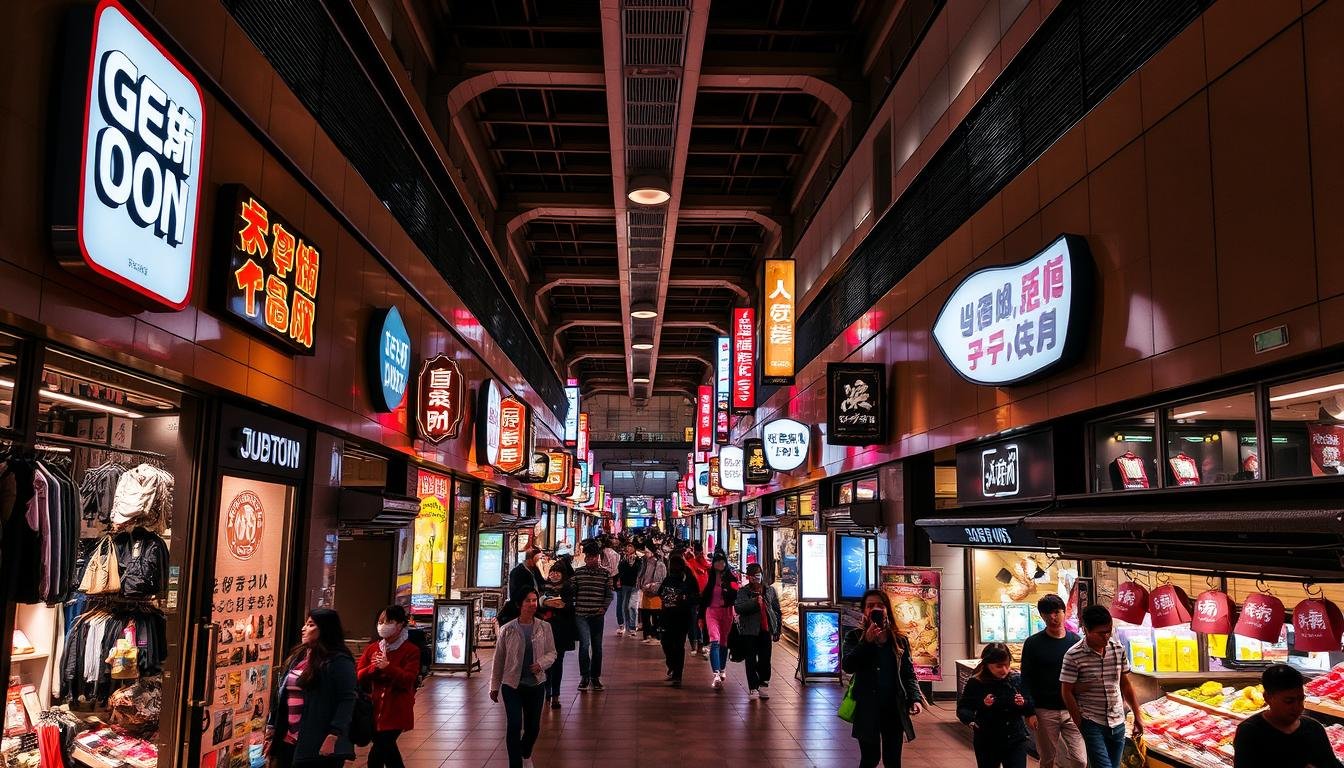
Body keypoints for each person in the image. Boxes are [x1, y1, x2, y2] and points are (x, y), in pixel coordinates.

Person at [841, 588, 923, 768]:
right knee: (870, 759)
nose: (875, 609)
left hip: (893, 708)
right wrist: (867, 642)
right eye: (870, 606)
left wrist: (915, 698)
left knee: (893, 760)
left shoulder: (899, 640)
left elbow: (908, 672)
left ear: (887, 609)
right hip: (867, 708)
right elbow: (848, 665)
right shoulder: (854, 636)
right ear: (864, 611)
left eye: (880, 605)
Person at [265, 608, 358, 767]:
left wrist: (333, 734)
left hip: (319, 740)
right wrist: (272, 728)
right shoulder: (299, 655)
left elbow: (347, 699)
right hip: (288, 737)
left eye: (310, 625)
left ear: (325, 629)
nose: (303, 629)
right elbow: (281, 694)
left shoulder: (339, 660)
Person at [1060, 605, 1143, 768]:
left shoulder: (1118, 649)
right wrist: (1079, 721)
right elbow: (1066, 691)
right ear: (1086, 630)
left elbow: (1125, 684)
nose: (1106, 636)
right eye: (1100, 633)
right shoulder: (1073, 655)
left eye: (1109, 631)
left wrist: (1137, 715)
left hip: (1118, 721)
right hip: (1092, 722)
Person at [490, 590, 557, 768]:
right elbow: (499, 659)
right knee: (513, 725)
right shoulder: (508, 629)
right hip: (512, 685)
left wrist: (541, 663)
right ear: (520, 604)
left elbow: (552, 652)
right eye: (528, 601)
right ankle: (515, 764)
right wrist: (494, 686)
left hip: (536, 684)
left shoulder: (544, 627)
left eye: (534, 600)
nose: (532, 604)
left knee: (533, 727)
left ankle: (525, 752)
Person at [1233, 663, 1343, 768]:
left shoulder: (1314, 728)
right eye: (1289, 701)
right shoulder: (1250, 732)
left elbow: (1332, 764)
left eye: (1300, 700)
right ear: (1267, 697)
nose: (1298, 707)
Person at [1020, 594, 1085, 768]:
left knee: (1081, 759)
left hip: (1072, 709)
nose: (1052, 617)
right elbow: (1025, 678)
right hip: (1044, 710)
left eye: (1056, 612)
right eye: (1047, 613)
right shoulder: (1033, 643)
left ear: (1064, 612)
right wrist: (1029, 711)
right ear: (1041, 615)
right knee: (1048, 758)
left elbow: (1082, 676)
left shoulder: (1076, 642)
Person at [355, 606, 420, 768]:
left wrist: (388, 667)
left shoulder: (410, 650)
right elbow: (359, 675)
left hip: (397, 711)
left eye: (389, 621)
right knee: (390, 754)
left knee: (376, 756)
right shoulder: (373, 649)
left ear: (400, 625)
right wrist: (373, 668)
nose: (383, 625)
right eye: (380, 621)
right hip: (374, 710)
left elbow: (408, 679)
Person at [957, 643, 1036, 768]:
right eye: (999, 666)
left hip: (1015, 738)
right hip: (987, 739)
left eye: (1007, 665)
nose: (1004, 670)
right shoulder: (976, 682)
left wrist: (1023, 703)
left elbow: (1030, 705)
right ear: (987, 664)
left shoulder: (1016, 679)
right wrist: (973, 717)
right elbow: (964, 708)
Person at [734, 562, 783, 700]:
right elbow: (739, 607)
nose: (757, 578)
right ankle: (753, 687)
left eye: (758, 574)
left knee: (765, 659)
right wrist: (755, 602)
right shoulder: (743, 592)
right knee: (750, 659)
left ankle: (763, 683)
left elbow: (777, 610)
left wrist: (777, 629)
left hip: (765, 630)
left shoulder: (770, 591)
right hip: (749, 630)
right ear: (749, 577)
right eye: (754, 575)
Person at [572, 544, 614, 691]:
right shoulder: (578, 573)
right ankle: (584, 676)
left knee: (597, 647)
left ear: (598, 557)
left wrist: (603, 608)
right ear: (585, 558)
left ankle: (595, 677)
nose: (592, 560)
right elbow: (572, 591)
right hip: (581, 614)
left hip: (597, 615)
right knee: (584, 645)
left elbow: (609, 594)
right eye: (589, 557)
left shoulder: (605, 574)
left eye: (594, 557)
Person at [657, 550, 700, 686]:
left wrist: (683, 598)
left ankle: (677, 674)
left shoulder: (688, 579)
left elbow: (696, 597)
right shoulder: (669, 578)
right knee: (669, 644)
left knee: (676, 645)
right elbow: (660, 592)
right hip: (672, 616)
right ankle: (673, 667)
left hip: (680, 616)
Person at [537, 560, 577, 709]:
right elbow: (537, 607)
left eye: (557, 572)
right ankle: (546, 692)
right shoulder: (543, 587)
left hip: (561, 630)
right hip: (545, 629)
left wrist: (554, 604)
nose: (554, 575)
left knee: (558, 662)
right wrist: (545, 603)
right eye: (552, 572)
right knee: (546, 662)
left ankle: (556, 695)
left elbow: (568, 607)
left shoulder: (567, 587)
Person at [701, 552, 738, 689]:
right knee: (714, 640)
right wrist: (700, 617)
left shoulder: (731, 577)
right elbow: (704, 598)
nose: (720, 564)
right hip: (712, 612)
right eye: (717, 561)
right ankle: (716, 674)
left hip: (727, 612)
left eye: (722, 561)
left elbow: (736, 595)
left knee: (723, 642)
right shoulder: (709, 578)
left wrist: (729, 589)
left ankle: (722, 668)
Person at [501, 547, 545, 624]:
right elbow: (515, 594)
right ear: (530, 560)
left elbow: (542, 583)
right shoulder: (517, 572)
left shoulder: (535, 569)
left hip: (535, 606)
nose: (540, 561)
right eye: (538, 559)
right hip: (523, 609)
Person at [637, 544, 667, 645]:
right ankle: (647, 635)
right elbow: (641, 575)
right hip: (645, 592)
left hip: (655, 594)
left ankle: (656, 636)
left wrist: (652, 586)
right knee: (645, 615)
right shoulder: (645, 562)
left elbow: (661, 580)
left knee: (655, 616)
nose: (645, 554)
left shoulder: (660, 564)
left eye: (647, 552)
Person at [684, 544, 711, 657]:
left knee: (696, 620)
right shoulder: (693, 564)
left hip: (699, 597)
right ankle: (699, 645)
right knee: (696, 620)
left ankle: (699, 645)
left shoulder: (692, 563)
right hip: (698, 597)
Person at [616, 542, 641, 637]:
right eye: (628, 547)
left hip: (634, 585)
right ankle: (627, 626)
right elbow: (620, 570)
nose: (629, 549)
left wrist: (633, 562)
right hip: (625, 584)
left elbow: (639, 570)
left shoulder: (638, 560)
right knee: (625, 606)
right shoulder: (623, 559)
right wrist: (619, 580)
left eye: (631, 547)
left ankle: (633, 626)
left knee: (632, 606)